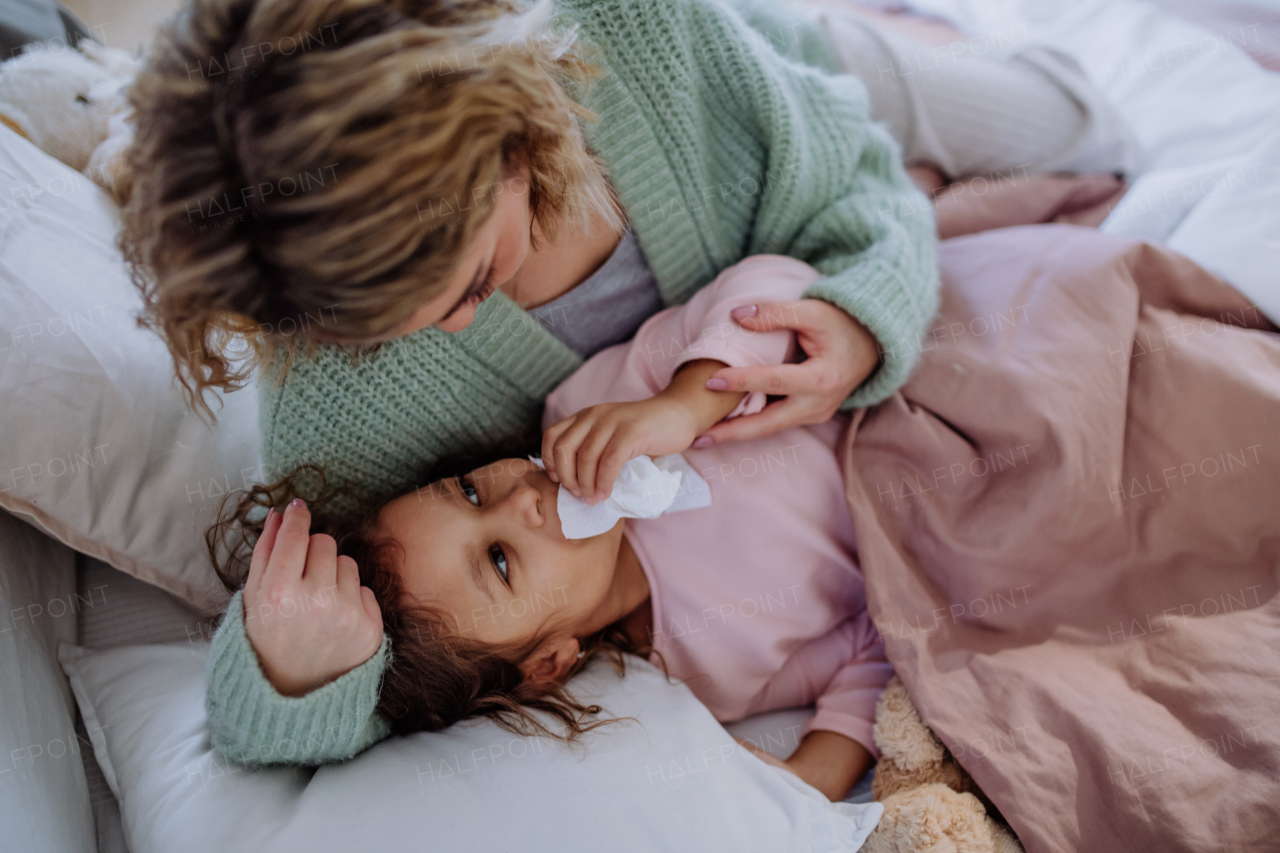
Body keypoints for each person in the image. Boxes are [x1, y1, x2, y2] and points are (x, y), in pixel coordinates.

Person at [121, 0, 1136, 766]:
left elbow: (853, 198)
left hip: (797, 79)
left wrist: (859, 324)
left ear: (508, 135)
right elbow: (286, 690)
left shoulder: (632, 33)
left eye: (471, 276)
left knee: (1093, 126)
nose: (450, 328)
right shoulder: (337, 374)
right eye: (389, 321)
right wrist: (298, 669)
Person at [209, 254, 891, 801]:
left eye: (471, 489)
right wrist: (815, 772)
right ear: (549, 662)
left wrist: (683, 405)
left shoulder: (600, 405)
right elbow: (879, 641)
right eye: (501, 560)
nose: (520, 500)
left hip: (907, 380)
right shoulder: (711, 673)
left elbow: (775, 284)